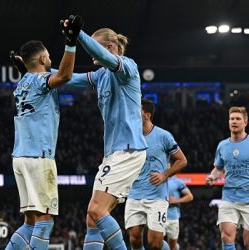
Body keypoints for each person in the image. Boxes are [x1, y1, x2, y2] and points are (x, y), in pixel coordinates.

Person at [61, 17, 148, 250]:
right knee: (92, 219)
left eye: (94, 47)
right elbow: (67, 78)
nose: (91, 54)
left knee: (96, 210)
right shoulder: (100, 75)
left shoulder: (127, 67)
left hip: (128, 150)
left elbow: (107, 59)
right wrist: (35, 73)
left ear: (109, 47)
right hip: (114, 153)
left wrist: (78, 35)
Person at [5, 16, 83, 250]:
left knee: (30, 222)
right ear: (41, 58)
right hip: (39, 157)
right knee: (45, 221)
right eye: (48, 55)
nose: (50, 59)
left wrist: (26, 70)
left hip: (19, 158)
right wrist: (70, 43)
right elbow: (66, 76)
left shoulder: (22, 84)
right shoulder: (41, 80)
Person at [125, 98, 187, 250]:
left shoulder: (163, 136)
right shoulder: (128, 136)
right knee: (134, 240)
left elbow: (182, 160)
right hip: (134, 194)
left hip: (157, 197)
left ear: (147, 115)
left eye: (136, 110)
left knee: (154, 244)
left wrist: (165, 174)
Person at [206, 106, 249, 250]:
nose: (234, 121)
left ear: (245, 122)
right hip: (229, 197)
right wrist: (212, 177)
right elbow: (218, 168)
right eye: (231, 119)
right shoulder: (222, 145)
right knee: (226, 237)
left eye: (238, 119)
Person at [165, 175, 193, 250]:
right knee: (156, 243)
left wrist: (176, 200)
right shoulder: (157, 179)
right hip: (159, 216)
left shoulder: (177, 181)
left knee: (173, 246)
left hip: (172, 217)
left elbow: (190, 196)